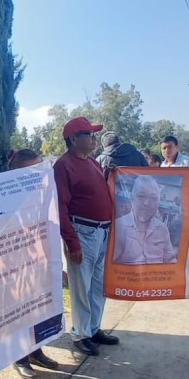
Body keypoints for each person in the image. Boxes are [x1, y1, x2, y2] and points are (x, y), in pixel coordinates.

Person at [54, 117, 119, 356]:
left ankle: (93, 328)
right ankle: (80, 334)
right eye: (88, 134)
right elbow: (60, 205)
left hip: (101, 231)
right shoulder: (63, 166)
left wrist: (108, 175)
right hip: (83, 232)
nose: (93, 138)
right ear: (73, 139)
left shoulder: (91, 162)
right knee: (82, 286)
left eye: (93, 134)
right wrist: (71, 241)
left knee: (98, 285)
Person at [7, 149, 60, 379]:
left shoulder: (43, 194)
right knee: (19, 310)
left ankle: (36, 350)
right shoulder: (5, 196)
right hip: (15, 264)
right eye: (31, 169)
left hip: (39, 259)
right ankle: (20, 359)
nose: (37, 174)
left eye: (39, 168)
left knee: (39, 306)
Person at [113, 176, 177, 265]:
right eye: (141, 196)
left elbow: (170, 260)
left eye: (153, 198)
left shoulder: (162, 229)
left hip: (157, 277)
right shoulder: (118, 226)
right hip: (128, 277)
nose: (146, 203)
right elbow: (109, 264)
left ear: (158, 202)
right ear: (132, 199)